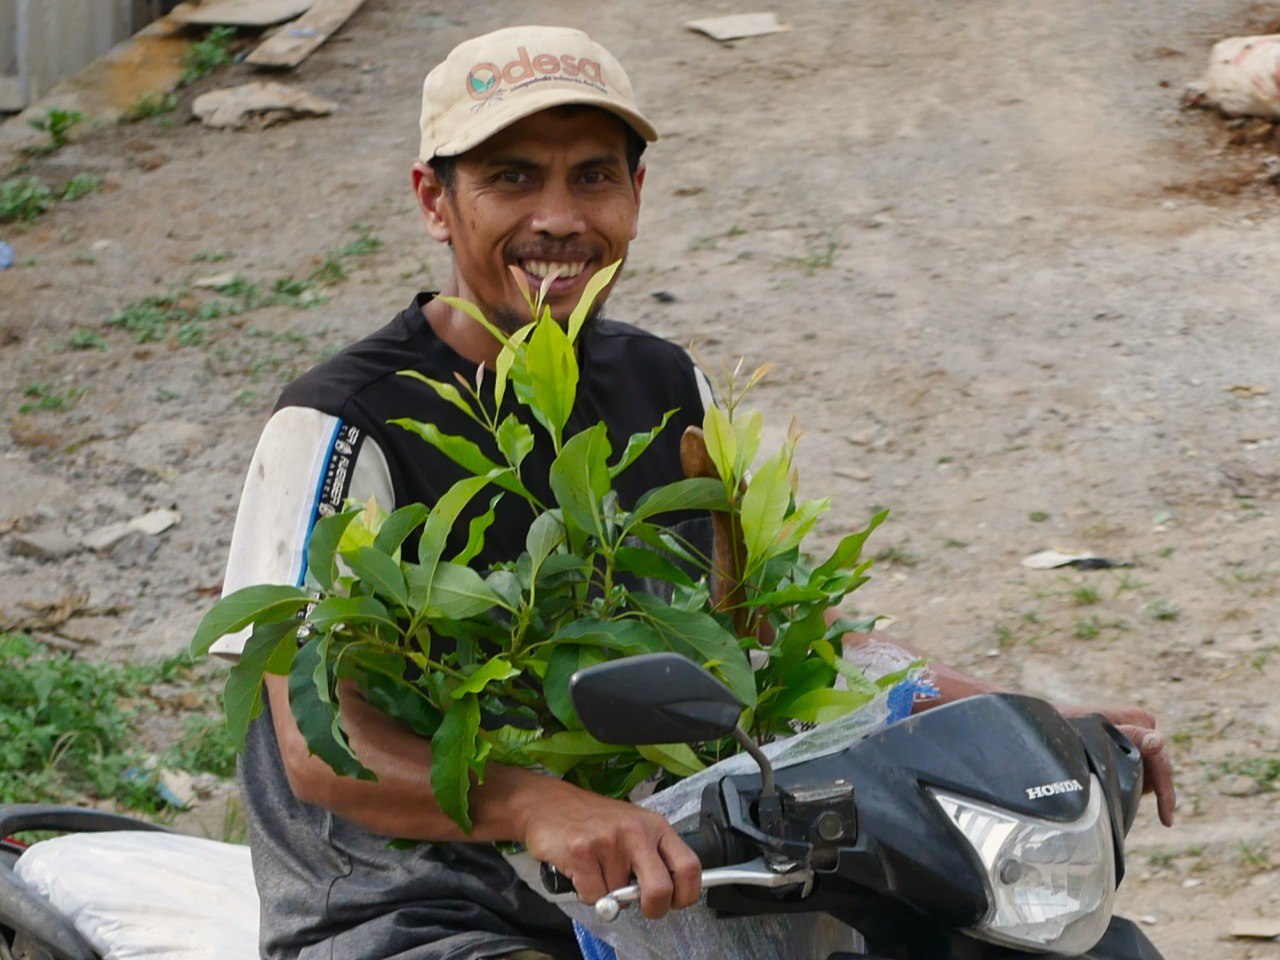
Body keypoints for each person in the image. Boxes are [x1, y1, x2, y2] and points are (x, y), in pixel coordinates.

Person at [211, 24, 1176, 960]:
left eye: (592, 174)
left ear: (635, 191)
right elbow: (315, 748)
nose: (558, 217)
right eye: (511, 177)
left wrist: (1011, 718)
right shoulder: (342, 425)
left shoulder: (666, 388)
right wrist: (530, 801)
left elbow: (778, 637)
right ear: (435, 200)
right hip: (420, 917)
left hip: (671, 892)